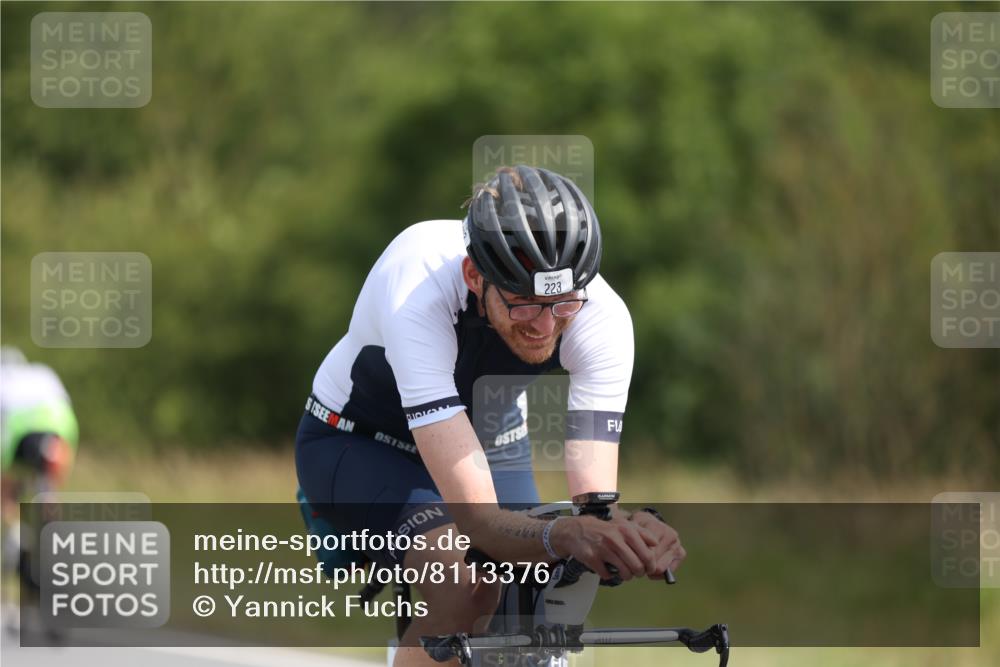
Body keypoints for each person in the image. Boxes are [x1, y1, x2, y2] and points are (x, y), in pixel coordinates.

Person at [295, 165, 685, 666]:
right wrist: (560, 535)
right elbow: (480, 525)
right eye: (523, 304)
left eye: (561, 305)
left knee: (543, 603)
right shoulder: (420, 288)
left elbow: (593, 507)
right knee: (468, 589)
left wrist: (626, 536)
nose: (545, 326)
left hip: (490, 439)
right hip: (360, 443)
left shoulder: (601, 315)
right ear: (474, 277)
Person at [0, 346, 79, 635]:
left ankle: (18, 536)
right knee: (49, 492)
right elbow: (65, 409)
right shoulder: (42, 373)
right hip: (59, 430)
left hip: (16, 432)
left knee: (6, 493)